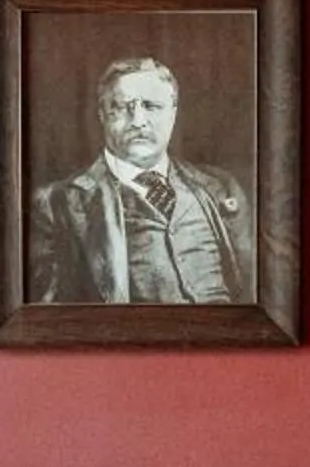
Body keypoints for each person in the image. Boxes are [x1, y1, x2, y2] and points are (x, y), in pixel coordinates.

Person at [28, 56, 251, 306]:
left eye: (151, 106)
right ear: (102, 115)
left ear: (173, 112)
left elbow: (255, 291)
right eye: (123, 107)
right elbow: (49, 318)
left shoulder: (220, 188)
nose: (138, 121)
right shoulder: (58, 204)